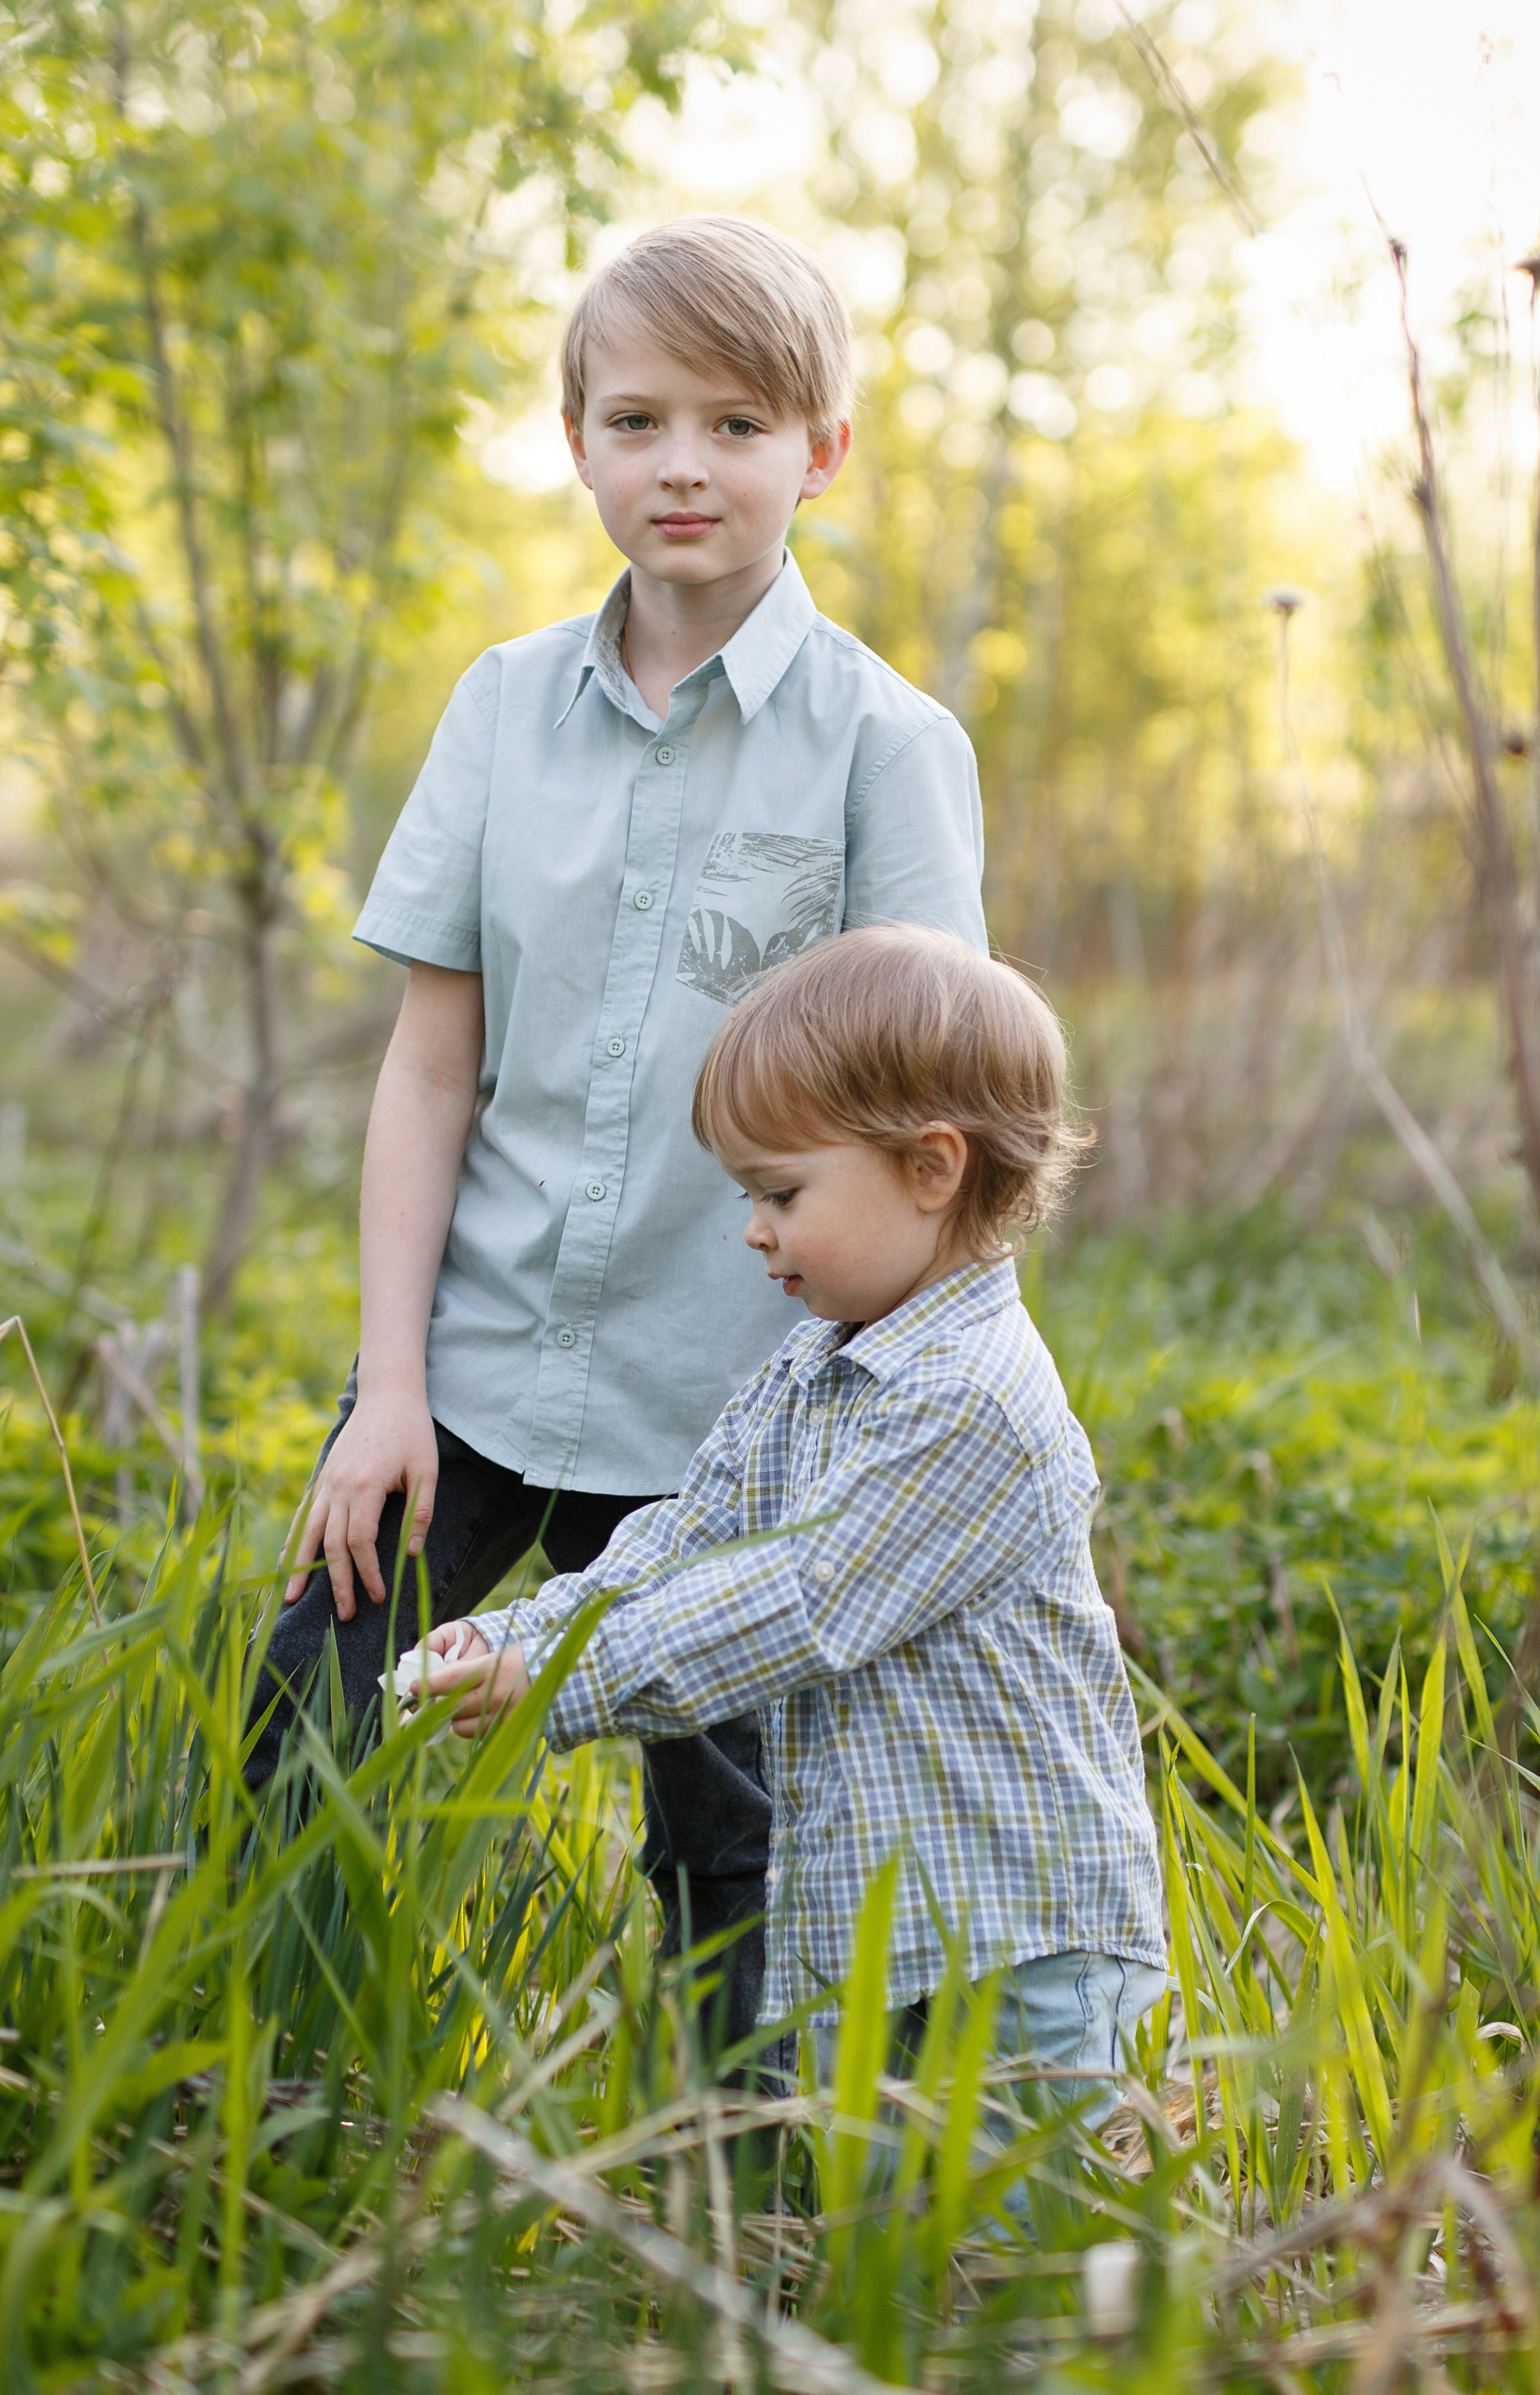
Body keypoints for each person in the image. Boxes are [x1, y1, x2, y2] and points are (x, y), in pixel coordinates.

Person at [243, 215, 987, 2059]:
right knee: (298, 1744)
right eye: (638, 419)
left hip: (737, 1422)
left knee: (734, 1852)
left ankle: (735, 2217)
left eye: (738, 425)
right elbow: (429, 1076)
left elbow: (931, 1137)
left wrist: (892, 1448)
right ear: (575, 438)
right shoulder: (501, 710)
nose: (681, 466)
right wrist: (387, 1388)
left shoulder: (884, 748)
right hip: (475, 1374)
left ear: (820, 451)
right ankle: (275, 2120)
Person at [410, 927, 1168, 2114]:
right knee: (883, 2249)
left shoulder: (971, 1403)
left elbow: (797, 1604)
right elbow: (690, 1535)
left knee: (1021, 2258)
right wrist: (525, 1635)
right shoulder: (814, 1365)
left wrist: (557, 1681)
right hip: (872, 1922)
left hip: (1016, 1939)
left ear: (932, 1168)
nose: (753, 1229)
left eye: (781, 1192)